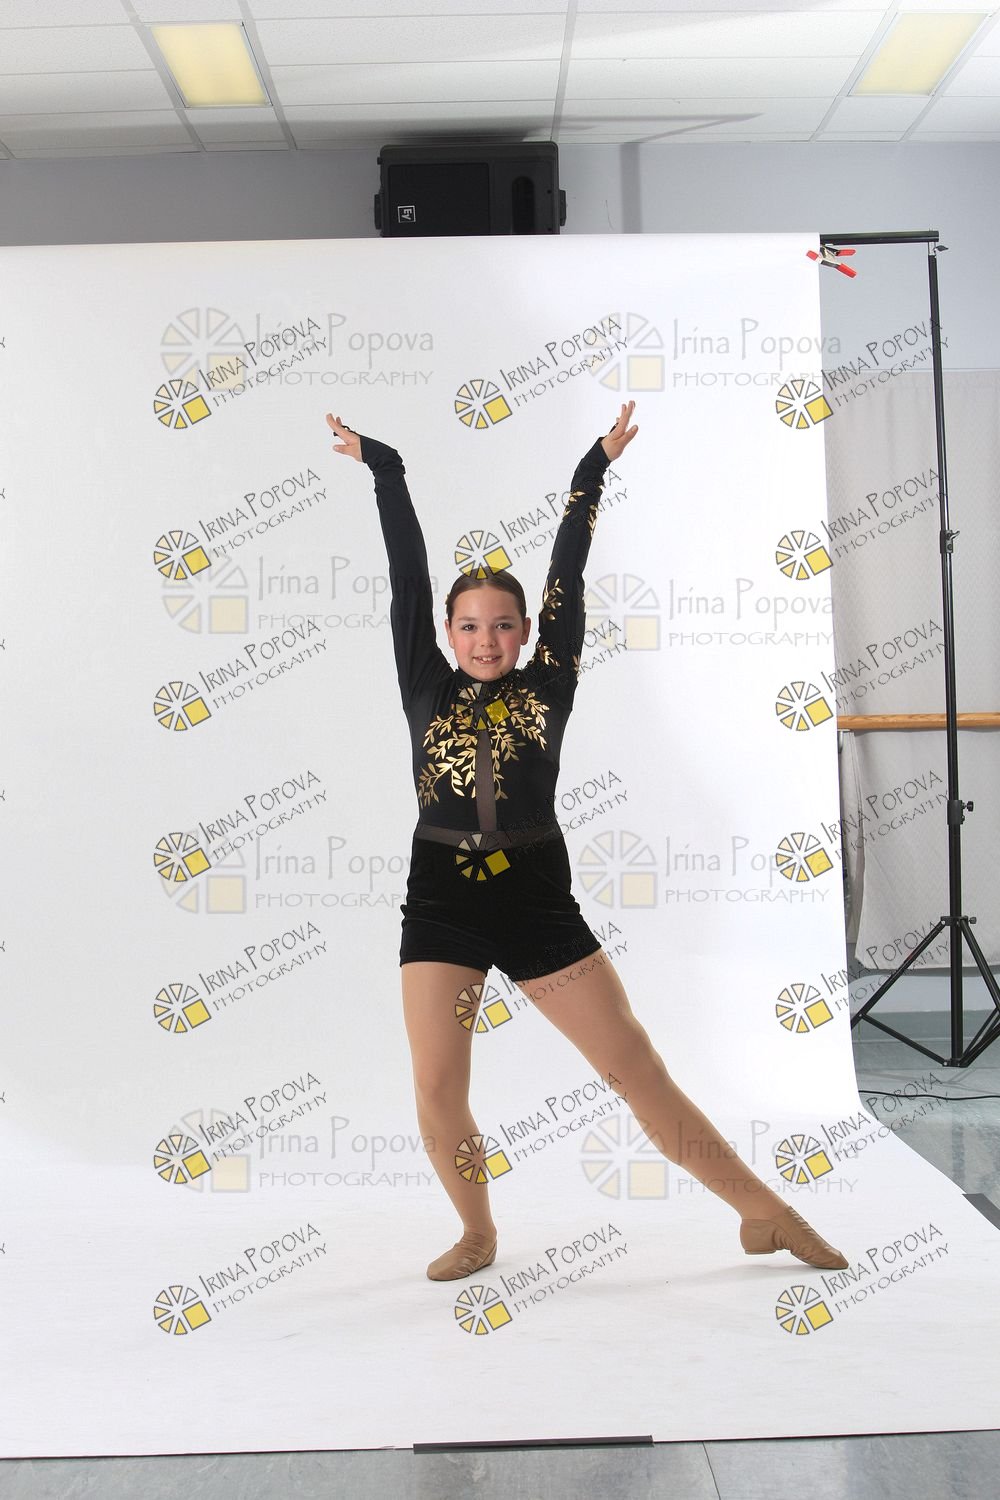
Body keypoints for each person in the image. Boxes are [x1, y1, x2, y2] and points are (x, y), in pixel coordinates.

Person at [325, 405, 849, 1282]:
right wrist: (386, 468)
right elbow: (406, 574)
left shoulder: (550, 682)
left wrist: (590, 473)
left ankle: (766, 1212)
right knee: (437, 1085)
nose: (486, 640)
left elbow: (567, 571)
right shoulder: (423, 681)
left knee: (634, 1065)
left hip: (533, 894)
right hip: (443, 895)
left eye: (503, 625)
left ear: (527, 632)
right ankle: (477, 1230)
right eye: (469, 626)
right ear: (446, 633)